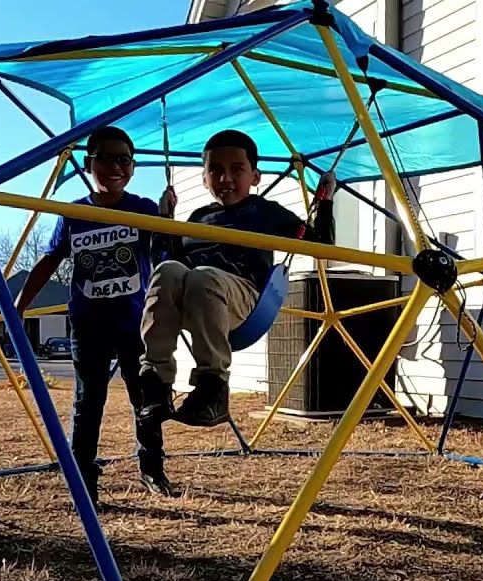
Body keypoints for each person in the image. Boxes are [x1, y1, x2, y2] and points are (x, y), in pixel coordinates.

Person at [14, 125, 175, 504]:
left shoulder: (143, 210)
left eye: (124, 160)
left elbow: (166, 255)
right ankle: (83, 476)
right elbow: (50, 259)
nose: (114, 167)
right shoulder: (74, 214)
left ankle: (152, 470)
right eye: (105, 158)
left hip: (137, 322)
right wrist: (18, 304)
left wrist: (169, 218)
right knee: (88, 402)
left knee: (145, 400)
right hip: (89, 324)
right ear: (89, 164)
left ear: (133, 167)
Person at [139, 129, 337, 428]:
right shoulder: (198, 218)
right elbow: (164, 265)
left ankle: (213, 387)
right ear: (204, 179)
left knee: (203, 278)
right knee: (168, 272)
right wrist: (164, 222)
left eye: (237, 169)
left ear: (255, 176)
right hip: (193, 297)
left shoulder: (265, 212)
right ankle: (156, 383)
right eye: (215, 170)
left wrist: (325, 200)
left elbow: (321, 244)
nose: (225, 178)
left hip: (241, 296)